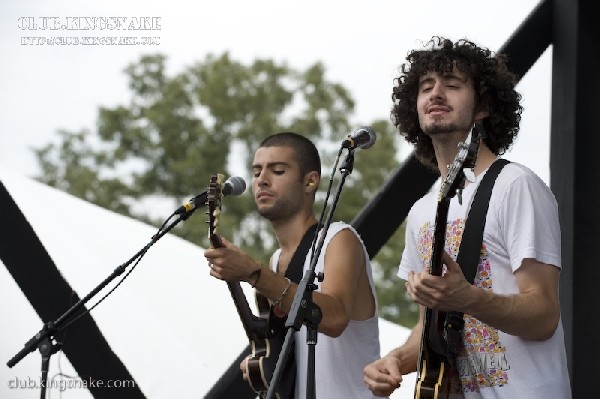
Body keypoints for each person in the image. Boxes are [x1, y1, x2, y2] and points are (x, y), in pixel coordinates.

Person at [363, 37, 572, 398]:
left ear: (483, 108)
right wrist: (396, 360)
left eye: (453, 85)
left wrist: (468, 298)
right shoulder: (422, 212)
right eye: (426, 87)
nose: (436, 93)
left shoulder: (516, 185)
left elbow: (543, 315)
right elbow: (431, 325)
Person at [204, 132, 382, 398]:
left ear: (310, 181)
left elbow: (333, 319)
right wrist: (265, 365)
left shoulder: (338, 239)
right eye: (256, 172)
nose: (262, 180)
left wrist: (254, 272)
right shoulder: (276, 261)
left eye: (277, 170)